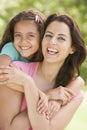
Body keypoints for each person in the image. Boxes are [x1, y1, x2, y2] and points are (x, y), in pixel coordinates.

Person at [0, 13, 86, 130]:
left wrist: (29, 86)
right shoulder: (16, 71)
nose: (52, 42)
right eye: (49, 35)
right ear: (42, 39)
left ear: (73, 48)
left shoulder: (71, 93)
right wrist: (45, 94)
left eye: (61, 38)